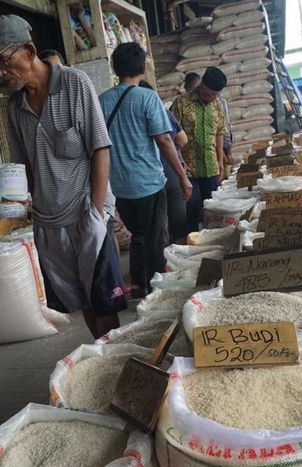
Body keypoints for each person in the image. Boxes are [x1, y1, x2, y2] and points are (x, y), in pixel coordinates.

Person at [0, 15, 126, 337]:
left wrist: (97, 213)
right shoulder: (15, 107)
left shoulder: (75, 83)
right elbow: (23, 168)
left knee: (103, 300)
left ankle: (114, 358)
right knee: (80, 299)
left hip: (86, 212)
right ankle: (101, 355)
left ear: (29, 51)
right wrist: (17, 216)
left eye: (3, 61)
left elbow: (101, 148)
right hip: (49, 222)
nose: (1, 72)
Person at [99, 44, 191, 295]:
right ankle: (157, 290)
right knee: (156, 238)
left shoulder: (101, 101)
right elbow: (164, 140)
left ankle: (140, 284)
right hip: (148, 182)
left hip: (119, 186)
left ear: (114, 68)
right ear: (142, 67)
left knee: (138, 235)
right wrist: (182, 176)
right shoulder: (147, 98)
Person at [171, 67, 230, 232]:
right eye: (210, 94)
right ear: (202, 86)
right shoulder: (181, 103)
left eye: (216, 95)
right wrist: (179, 164)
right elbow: (171, 136)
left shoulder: (217, 104)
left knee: (212, 211)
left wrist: (219, 159)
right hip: (188, 169)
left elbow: (219, 132)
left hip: (210, 166)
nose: (212, 98)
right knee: (191, 211)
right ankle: (193, 245)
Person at [140, 80, 190, 244]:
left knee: (158, 229)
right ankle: (181, 262)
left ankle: (165, 264)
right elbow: (182, 140)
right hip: (170, 169)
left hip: (146, 175)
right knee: (179, 223)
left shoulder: (130, 115)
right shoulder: (162, 112)